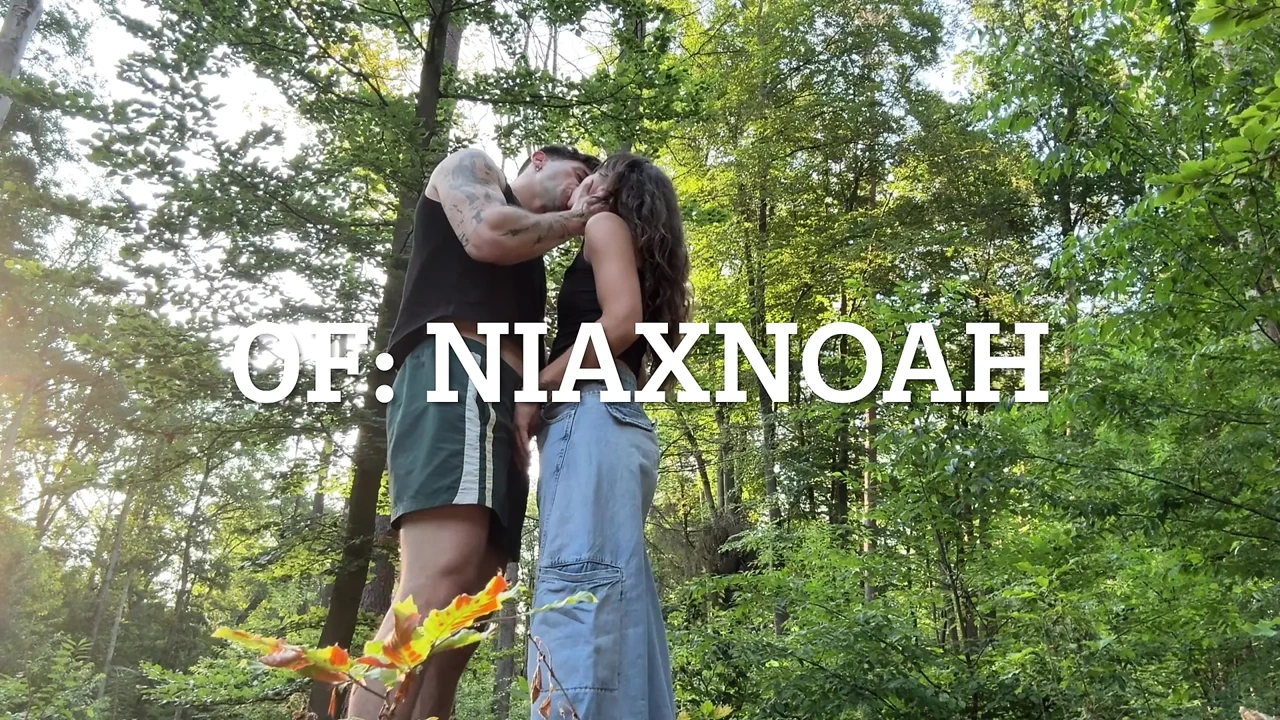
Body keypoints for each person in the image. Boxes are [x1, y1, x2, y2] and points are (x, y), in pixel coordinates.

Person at [346, 145, 604, 720]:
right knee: (436, 580)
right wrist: (583, 217)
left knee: (463, 622)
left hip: (504, 406)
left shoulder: (536, 253)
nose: (583, 188)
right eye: (580, 174)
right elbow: (487, 234)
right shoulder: (475, 168)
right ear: (540, 159)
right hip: (456, 370)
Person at [525, 152, 691, 720]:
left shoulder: (603, 224)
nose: (578, 184)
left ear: (612, 188)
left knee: (578, 588)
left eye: (590, 175)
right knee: (617, 596)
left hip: (591, 412)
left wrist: (539, 387)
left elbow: (621, 321)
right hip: (613, 416)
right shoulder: (629, 243)